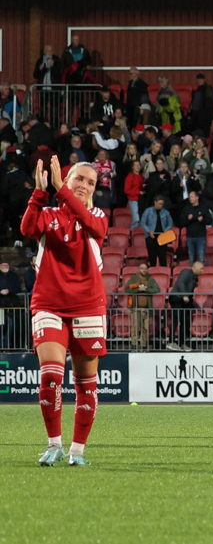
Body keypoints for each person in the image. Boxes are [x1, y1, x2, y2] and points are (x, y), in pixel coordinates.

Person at [20, 156, 107, 466]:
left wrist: (61, 190)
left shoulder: (97, 216)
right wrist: (40, 192)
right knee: (51, 376)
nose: (84, 185)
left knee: (86, 383)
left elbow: (91, 223)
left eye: (90, 182)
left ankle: (77, 451)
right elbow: (27, 227)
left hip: (88, 306)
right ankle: (54, 445)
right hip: (49, 304)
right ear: (66, 180)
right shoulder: (48, 215)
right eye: (78, 179)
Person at [125, 262, 159, 351]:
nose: (144, 270)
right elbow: (127, 289)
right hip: (135, 308)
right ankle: (134, 344)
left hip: (147, 308)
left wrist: (146, 289)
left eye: (145, 268)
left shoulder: (150, 278)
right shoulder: (134, 278)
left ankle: (144, 345)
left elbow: (157, 289)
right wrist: (138, 289)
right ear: (138, 269)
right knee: (135, 327)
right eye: (142, 268)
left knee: (145, 328)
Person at [141, 195, 174, 267]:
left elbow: (170, 224)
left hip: (162, 237)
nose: (161, 205)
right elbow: (143, 223)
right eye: (159, 204)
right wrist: (149, 231)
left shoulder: (166, 212)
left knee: (163, 257)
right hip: (151, 237)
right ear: (155, 202)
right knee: (152, 258)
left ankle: (164, 271)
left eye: (162, 204)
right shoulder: (148, 211)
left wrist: (166, 230)